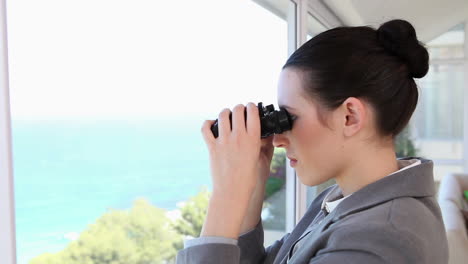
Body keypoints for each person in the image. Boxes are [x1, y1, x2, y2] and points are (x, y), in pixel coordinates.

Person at [176, 19, 449, 264]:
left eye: (290, 118)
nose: (279, 139)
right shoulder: (346, 202)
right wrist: (252, 188)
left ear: (349, 117)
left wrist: (227, 194)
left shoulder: (377, 242)